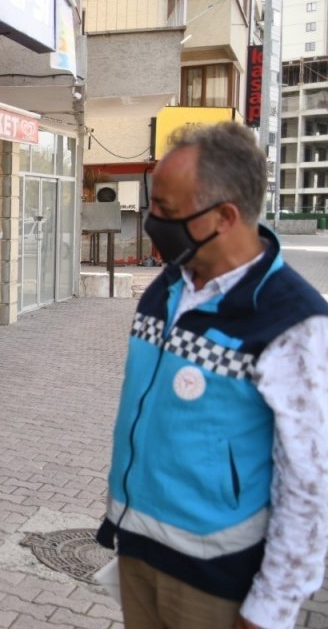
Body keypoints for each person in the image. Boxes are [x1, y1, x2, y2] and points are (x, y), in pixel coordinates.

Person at [96, 122, 328, 629]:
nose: (152, 222)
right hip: (138, 545)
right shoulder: (168, 285)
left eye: (167, 212)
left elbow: (310, 480)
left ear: (225, 216)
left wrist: (273, 607)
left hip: (215, 574)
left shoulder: (293, 321)